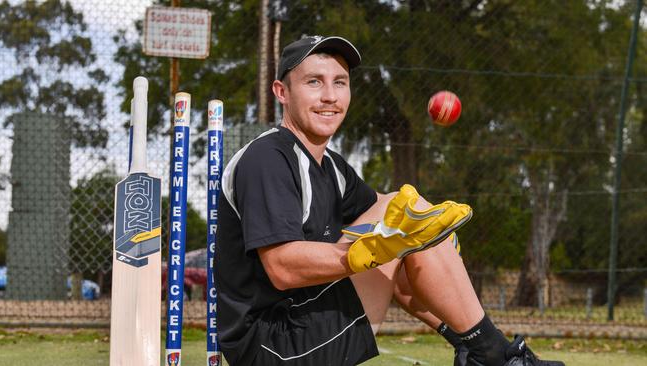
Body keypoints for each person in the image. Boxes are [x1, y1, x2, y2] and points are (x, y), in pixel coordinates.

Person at [214, 35, 565, 366]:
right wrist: (365, 252)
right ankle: (493, 356)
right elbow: (282, 267)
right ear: (282, 91)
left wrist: (422, 243)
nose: (330, 96)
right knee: (403, 229)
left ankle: (480, 349)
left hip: (303, 318)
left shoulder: (332, 167)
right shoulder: (269, 158)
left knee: (407, 216)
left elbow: (393, 218)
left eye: (340, 82)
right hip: (272, 344)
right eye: (313, 82)